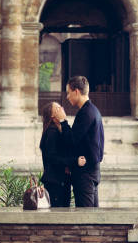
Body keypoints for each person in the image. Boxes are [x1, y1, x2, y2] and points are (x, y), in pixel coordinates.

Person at [65, 76, 104, 207]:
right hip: (93, 171)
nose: (67, 97)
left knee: (85, 219)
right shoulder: (94, 111)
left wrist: (63, 122)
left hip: (85, 174)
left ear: (76, 91)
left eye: (68, 92)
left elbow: (71, 139)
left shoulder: (85, 113)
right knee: (92, 218)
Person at [39, 102, 77, 207]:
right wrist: (74, 161)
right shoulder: (52, 131)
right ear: (52, 115)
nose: (62, 109)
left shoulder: (58, 130)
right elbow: (52, 158)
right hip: (55, 182)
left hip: (60, 181)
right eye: (58, 108)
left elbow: (70, 143)